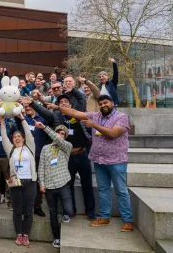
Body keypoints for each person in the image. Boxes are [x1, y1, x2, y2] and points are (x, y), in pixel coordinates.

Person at [53, 95, 134, 232]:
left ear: (112, 103)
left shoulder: (121, 117)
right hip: (99, 160)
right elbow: (75, 112)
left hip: (116, 161)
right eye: (101, 103)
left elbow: (113, 134)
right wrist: (56, 107)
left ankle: (127, 220)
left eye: (106, 102)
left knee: (121, 190)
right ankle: (104, 217)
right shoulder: (95, 115)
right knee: (103, 190)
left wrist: (94, 125)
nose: (103, 105)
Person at [0, 112, 36, 247]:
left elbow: (28, 132)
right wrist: (2, 122)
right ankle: (18, 234)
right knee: (17, 210)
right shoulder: (11, 150)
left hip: (30, 182)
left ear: (23, 138)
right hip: (16, 183)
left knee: (28, 210)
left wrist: (22, 118)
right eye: (14, 137)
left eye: (19, 136)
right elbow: (4, 137)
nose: (17, 138)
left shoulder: (30, 147)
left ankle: (26, 234)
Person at [36, 122, 73, 248]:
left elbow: (58, 140)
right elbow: (41, 167)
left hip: (63, 183)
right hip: (50, 186)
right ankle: (57, 238)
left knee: (68, 210)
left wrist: (45, 127)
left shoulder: (67, 146)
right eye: (58, 132)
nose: (60, 135)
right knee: (52, 213)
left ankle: (66, 214)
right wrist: (42, 183)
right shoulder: (45, 148)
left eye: (63, 134)